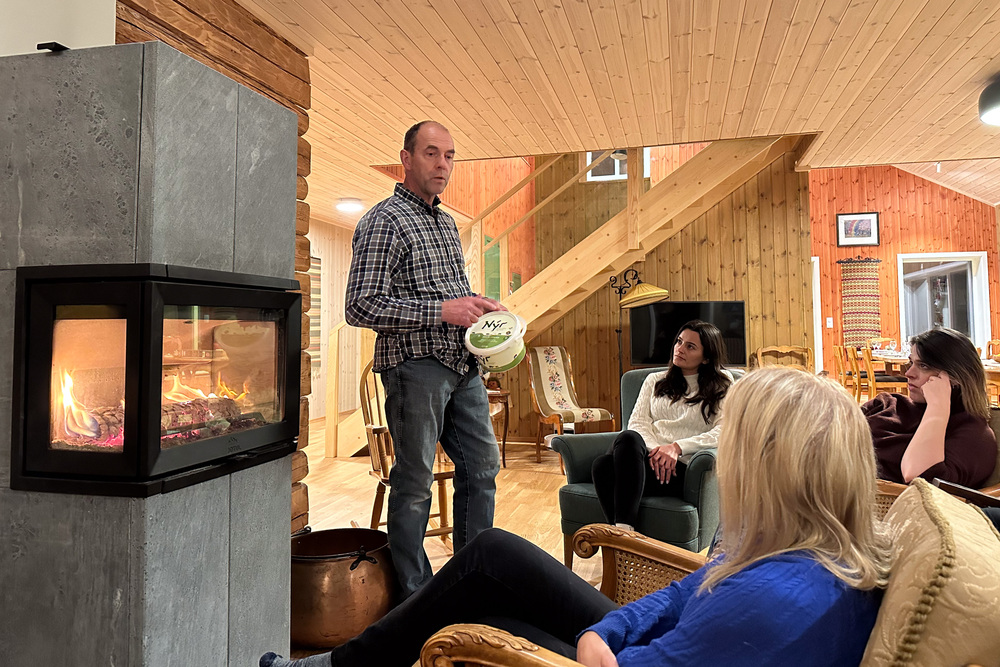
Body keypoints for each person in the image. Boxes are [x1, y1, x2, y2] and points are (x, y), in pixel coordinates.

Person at [261, 368, 889, 667]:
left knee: (480, 612)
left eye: (737, 447)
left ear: (775, 470)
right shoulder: (793, 548)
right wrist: (608, 631)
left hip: (631, 662)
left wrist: (600, 644)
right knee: (494, 557)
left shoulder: (772, 601)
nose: (727, 460)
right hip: (637, 644)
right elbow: (687, 590)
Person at [344, 120, 503, 596]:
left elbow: (449, 294)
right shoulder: (383, 221)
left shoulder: (446, 222)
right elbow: (359, 305)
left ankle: (471, 583)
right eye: (432, 153)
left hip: (461, 366)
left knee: (483, 467)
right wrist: (442, 311)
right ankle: (414, 596)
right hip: (414, 368)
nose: (443, 165)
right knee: (414, 482)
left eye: (450, 155)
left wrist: (478, 303)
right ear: (407, 158)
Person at [592, 320, 732, 530]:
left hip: (682, 469)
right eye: (679, 341)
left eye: (690, 346)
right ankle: (625, 536)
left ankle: (621, 541)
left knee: (602, 467)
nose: (679, 349)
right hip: (646, 459)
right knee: (628, 438)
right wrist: (657, 452)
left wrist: (676, 448)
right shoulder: (654, 380)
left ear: (706, 358)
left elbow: (724, 431)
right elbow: (637, 423)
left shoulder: (724, 383)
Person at [863, 327, 996, 488]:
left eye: (924, 366)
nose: (909, 373)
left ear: (956, 377)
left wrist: (937, 408)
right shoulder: (887, 403)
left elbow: (919, 482)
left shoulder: (973, 434)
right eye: (911, 363)